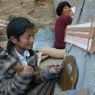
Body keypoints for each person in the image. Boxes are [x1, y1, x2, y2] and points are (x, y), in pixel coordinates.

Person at [0, 17, 62, 95]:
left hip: (28, 90)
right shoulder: (4, 61)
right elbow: (5, 92)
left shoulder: (32, 55)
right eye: (28, 37)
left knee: (52, 78)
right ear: (14, 39)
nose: (32, 40)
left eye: (33, 35)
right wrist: (22, 77)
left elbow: (35, 78)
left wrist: (48, 72)